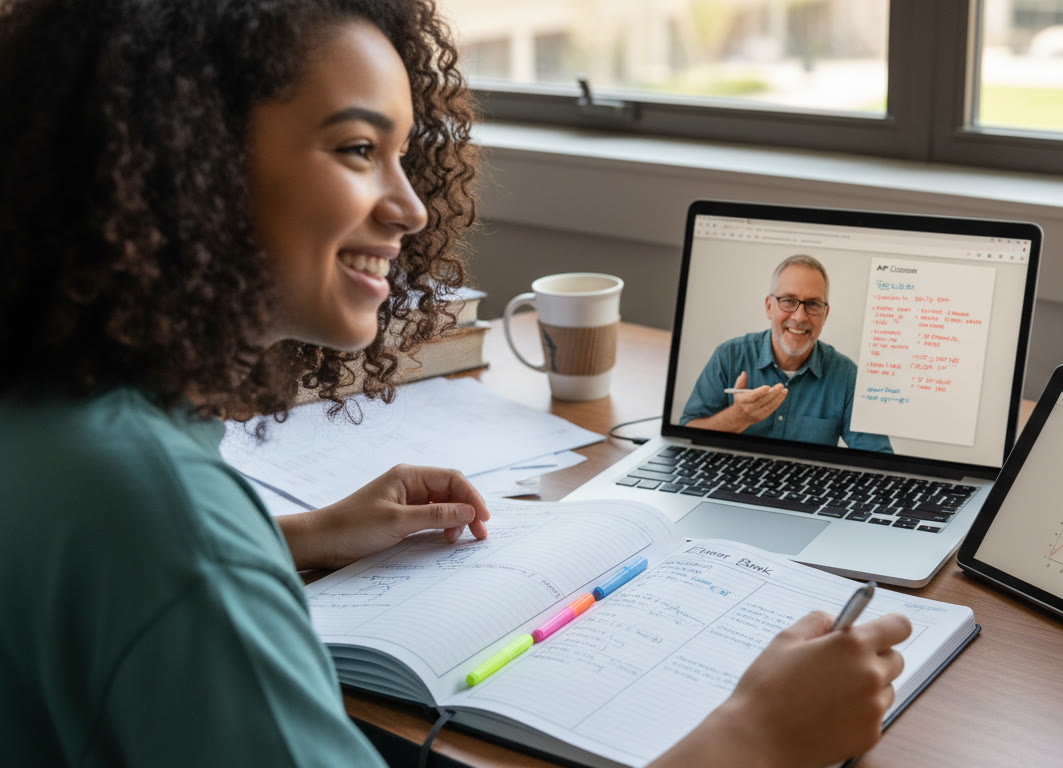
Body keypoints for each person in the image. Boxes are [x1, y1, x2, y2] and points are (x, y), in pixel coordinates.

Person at [0, 1, 911, 766]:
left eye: (404, 153)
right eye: (359, 148)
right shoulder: (157, 513)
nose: (412, 206)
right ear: (182, 155)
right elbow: (154, 551)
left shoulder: (66, 422)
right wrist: (752, 738)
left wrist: (294, 537)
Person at [681, 255, 893, 452]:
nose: (800, 316)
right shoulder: (729, 356)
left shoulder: (847, 377)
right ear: (769, 307)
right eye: (789, 301)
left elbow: (880, 460)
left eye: (813, 304)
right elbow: (686, 437)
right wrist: (738, 417)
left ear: (825, 314)